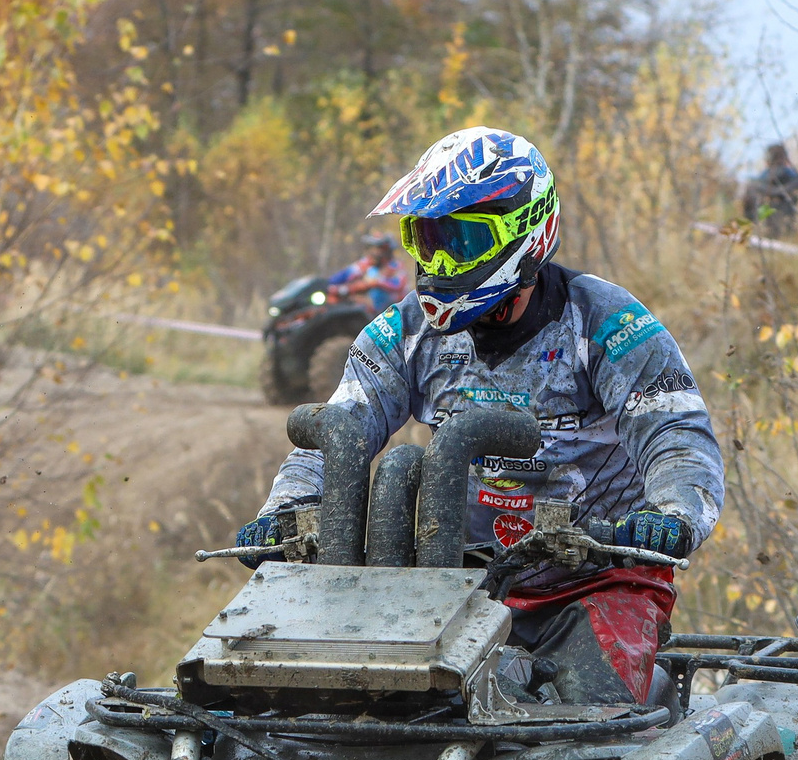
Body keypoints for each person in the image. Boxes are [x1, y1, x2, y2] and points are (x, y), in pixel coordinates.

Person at [233, 127, 723, 707]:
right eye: (427, 240)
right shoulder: (404, 331)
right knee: (362, 700)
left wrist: (672, 512)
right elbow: (335, 433)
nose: (439, 262)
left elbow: (677, 436)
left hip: (597, 577)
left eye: (462, 241)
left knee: (592, 709)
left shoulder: (607, 324)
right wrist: (284, 513)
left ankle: (666, 704)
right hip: (455, 580)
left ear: (527, 231)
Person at [738, 142, 798, 236]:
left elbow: (747, 219)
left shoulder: (753, 186)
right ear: (786, 159)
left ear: (767, 161)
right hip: (793, 239)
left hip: (761, 239)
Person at [322, 233, 409, 312]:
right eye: (372, 248)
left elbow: (399, 285)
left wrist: (375, 283)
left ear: (387, 250)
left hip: (390, 309)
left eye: (379, 248)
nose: (375, 252)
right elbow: (344, 275)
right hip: (363, 305)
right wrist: (328, 285)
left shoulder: (395, 266)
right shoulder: (366, 263)